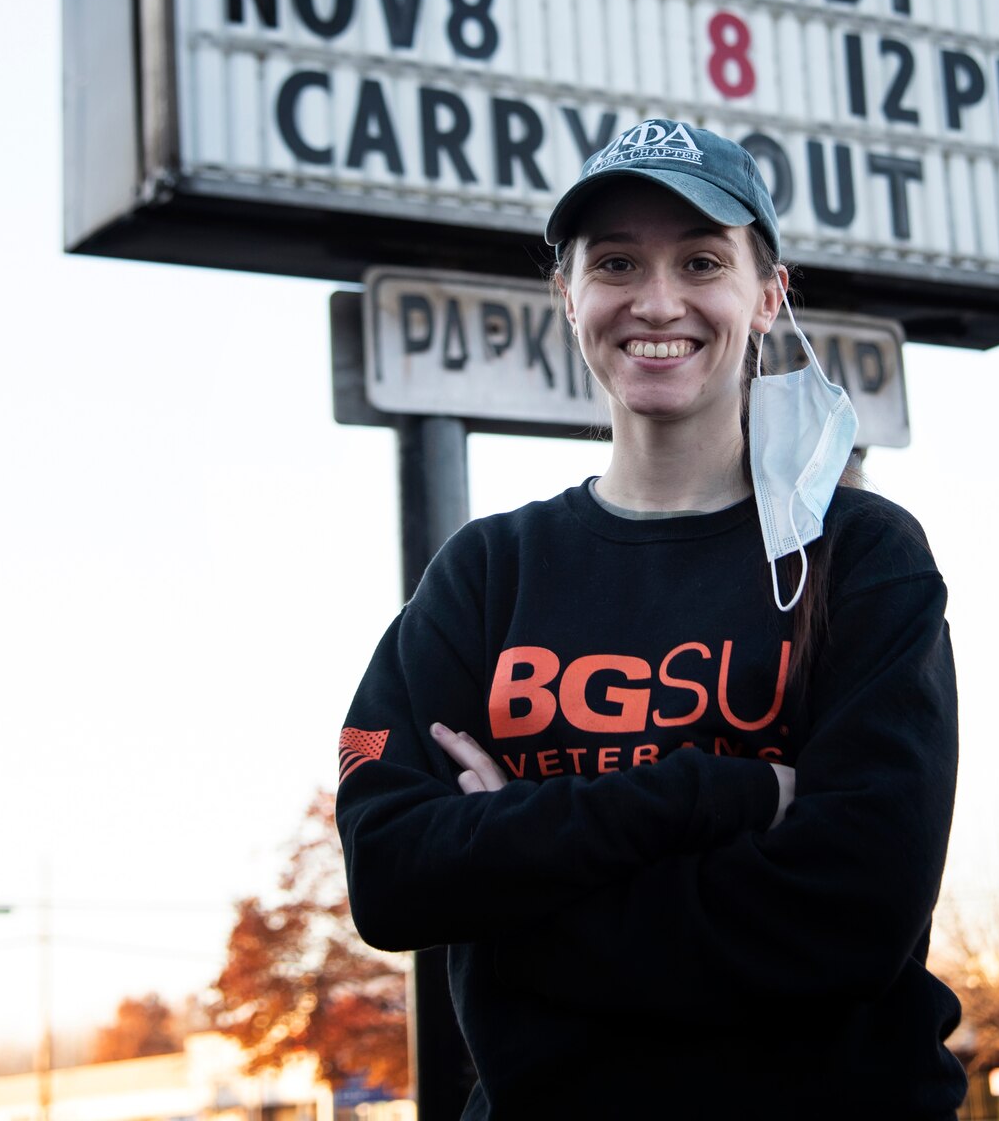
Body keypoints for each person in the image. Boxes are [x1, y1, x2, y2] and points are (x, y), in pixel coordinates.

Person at [335, 119, 965, 1118]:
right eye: (617, 261)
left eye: (702, 260)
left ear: (767, 294)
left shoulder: (861, 556)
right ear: (568, 294)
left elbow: (852, 914)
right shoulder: (486, 574)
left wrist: (512, 878)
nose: (657, 299)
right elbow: (393, 875)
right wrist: (712, 795)